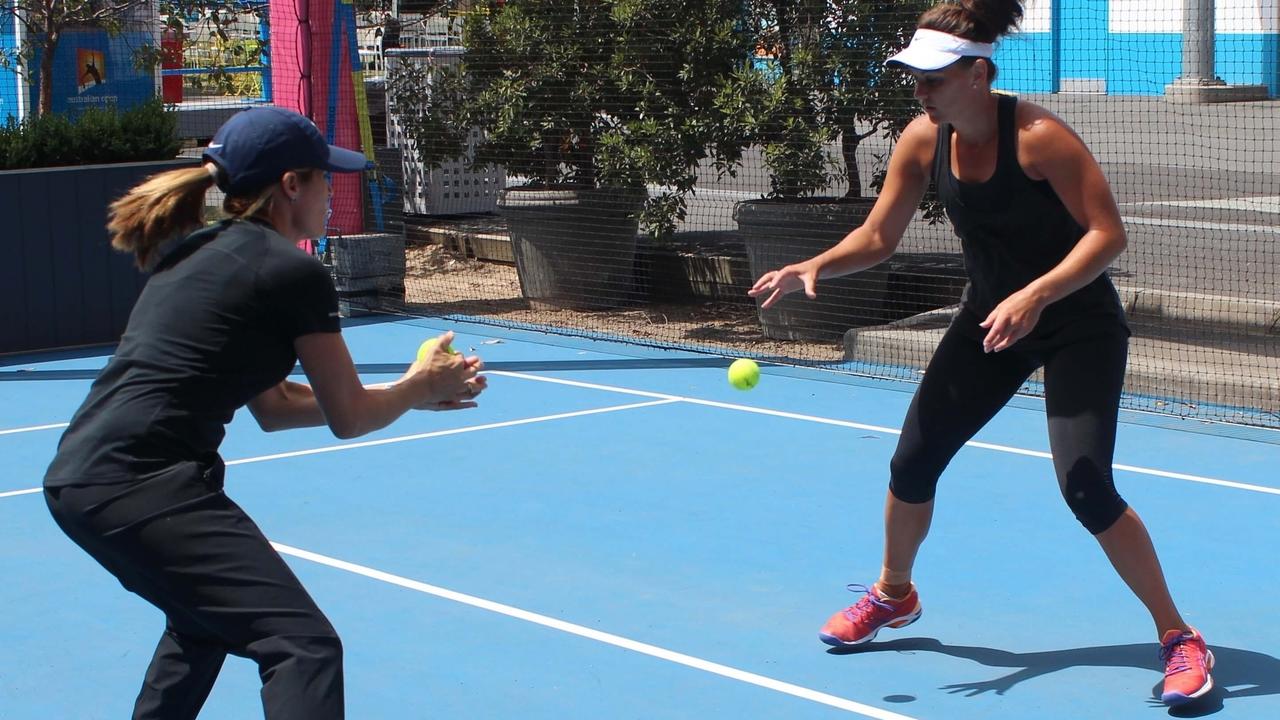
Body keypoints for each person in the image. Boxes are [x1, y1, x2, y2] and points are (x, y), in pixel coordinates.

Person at [747, 0, 1213, 707]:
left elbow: (1107, 235)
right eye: (915, 78)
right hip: (987, 322)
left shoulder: (1038, 137)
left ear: (977, 74)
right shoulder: (922, 140)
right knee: (911, 462)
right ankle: (894, 595)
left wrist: (1038, 296)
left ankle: (1181, 638)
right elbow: (878, 238)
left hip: (1076, 323)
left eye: (933, 79)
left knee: (1086, 488)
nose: (920, 90)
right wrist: (813, 265)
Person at [43, 106, 486, 719]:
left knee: (200, 627)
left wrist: (415, 389)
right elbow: (351, 416)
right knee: (303, 645)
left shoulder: (205, 252)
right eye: (326, 178)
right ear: (291, 186)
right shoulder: (291, 271)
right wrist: (418, 387)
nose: (335, 191)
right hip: (143, 483)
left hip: (87, 478)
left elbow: (275, 407)